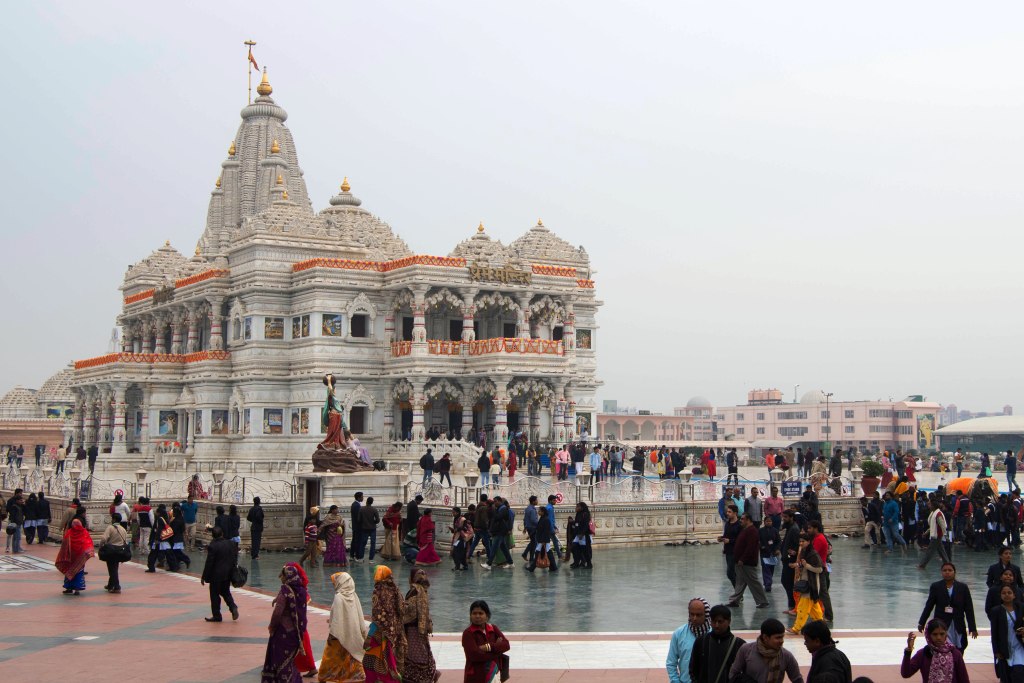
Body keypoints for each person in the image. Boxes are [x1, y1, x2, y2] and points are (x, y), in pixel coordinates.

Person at [261, 564, 309, 683]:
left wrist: (272, 627)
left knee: (281, 660)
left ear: (287, 576)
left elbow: (278, 612)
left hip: (283, 631)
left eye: (282, 575)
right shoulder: (302, 591)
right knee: (290, 660)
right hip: (297, 632)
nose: (281, 577)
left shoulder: (285, 591)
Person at [318, 571, 368, 683]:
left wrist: (332, 633)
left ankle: (325, 677)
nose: (334, 585)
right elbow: (357, 615)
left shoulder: (339, 597)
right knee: (351, 654)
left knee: (330, 656)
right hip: (352, 633)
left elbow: (337, 618)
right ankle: (358, 676)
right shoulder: (354, 595)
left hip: (338, 634)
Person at [918, 562, 978, 652]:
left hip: (958, 623)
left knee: (959, 648)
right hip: (941, 623)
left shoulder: (963, 587)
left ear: (954, 572)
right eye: (944, 570)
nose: (947, 572)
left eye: (950, 570)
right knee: (941, 647)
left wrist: (972, 627)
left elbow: (969, 608)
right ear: (941, 572)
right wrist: (922, 622)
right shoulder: (936, 587)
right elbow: (929, 606)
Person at [363, 565, 406, 683]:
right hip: (393, 632)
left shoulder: (378, 590)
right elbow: (401, 610)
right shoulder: (394, 588)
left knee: (372, 661)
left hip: (380, 633)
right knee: (387, 659)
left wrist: (370, 636)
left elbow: (377, 616)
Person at [729, 618, 803, 683]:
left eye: (782, 637)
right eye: (778, 638)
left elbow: (797, 679)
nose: (782, 641)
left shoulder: (786, 656)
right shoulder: (746, 650)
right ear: (765, 637)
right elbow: (733, 674)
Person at [901, 619, 970, 683]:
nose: (939, 638)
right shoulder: (923, 654)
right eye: (935, 634)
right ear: (928, 635)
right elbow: (906, 673)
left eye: (942, 634)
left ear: (946, 634)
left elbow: (964, 679)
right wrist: (908, 651)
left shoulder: (955, 653)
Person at [690, 604, 744, 683]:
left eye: (720, 621)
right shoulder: (701, 641)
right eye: (713, 621)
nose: (716, 625)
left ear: (729, 621)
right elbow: (693, 669)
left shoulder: (739, 645)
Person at [401, 568, 438, 682]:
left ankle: (419, 678)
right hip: (420, 630)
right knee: (423, 651)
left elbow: (411, 612)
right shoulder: (423, 591)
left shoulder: (415, 591)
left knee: (415, 654)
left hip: (413, 630)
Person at [727, 513, 770, 609]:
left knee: (753, 581)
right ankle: (735, 600)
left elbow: (751, 547)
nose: (740, 521)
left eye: (742, 519)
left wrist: (743, 559)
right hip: (740, 562)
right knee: (740, 582)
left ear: (748, 520)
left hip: (747, 562)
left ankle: (763, 601)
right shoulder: (745, 530)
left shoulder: (752, 531)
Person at [462, 599, 510, 683]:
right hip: (476, 677)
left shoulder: (493, 628)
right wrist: (497, 650)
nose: (477, 616)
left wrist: (489, 646)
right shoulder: (468, 633)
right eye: (474, 613)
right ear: (470, 615)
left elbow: (506, 645)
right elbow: (475, 655)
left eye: (481, 613)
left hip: (495, 674)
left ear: (487, 616)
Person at [666, 597, 711, 683]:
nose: (694, 618)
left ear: (706, 615)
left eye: (698, 615)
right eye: (692, 614)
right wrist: (676, 681)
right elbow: (671, 663)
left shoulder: (714, 635)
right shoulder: (679, 634)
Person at [789, 533, 825, 635]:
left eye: (803, 541)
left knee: (802, 608)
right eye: (800, 541)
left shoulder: (813, 554)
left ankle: (796, 628)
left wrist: (806, 565)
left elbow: (819, 569)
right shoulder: (805, 552)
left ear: (809, 542)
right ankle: (821, 626)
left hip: (811, 585)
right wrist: (796, 565)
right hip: (807, 584)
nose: (801, 543)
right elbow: (802, 564)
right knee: (815, 609)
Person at [201, 526, 239, 622]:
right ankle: (233, 607)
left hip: (216, 575)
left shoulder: (213, 546)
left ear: (213, 536)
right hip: (227, 574)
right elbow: (234, 557)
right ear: (222, 534)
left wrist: (204, 577)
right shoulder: (230, 543)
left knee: (214, 595)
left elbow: (209, 563)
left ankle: (217, 615)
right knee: (226, 592)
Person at [988, 583, 1024, 683]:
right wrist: (996, 651)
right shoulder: (996, 611)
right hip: (1004, 648)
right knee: (1006, 676)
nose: (1006, 595)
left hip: (1019, 647)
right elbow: (994, 633)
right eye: (1004, 593)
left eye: (1009, 592)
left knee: (1019, 673)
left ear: (1014, 595)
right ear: (1000, 595)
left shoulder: (1021, 608)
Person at [55, 518, 94, 595]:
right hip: (80, 556)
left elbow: (64, 544)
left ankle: (68, 587)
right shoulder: (84, 532)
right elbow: (88, 542)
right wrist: (87, 553)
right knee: (79, 572)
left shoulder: (69, 532)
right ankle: (77, 589)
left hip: (70, 557)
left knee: (69, 571)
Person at [99, 512, 129, 593]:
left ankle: (117, 586)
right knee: (114, 568)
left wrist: (101, 545)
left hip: (111, 550)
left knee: (112, 569)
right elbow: (125, 541)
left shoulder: (110, 528)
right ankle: (110, 585)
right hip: (120, 551)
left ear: (114, 519)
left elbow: (104, 539)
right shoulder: (123, 529)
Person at [918, 498, 952, 570]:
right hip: (936, 535)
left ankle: (922, 565)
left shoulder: (938, 514)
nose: (929, 505)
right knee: (942, 552)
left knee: (929, 551)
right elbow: (932, 526)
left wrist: (946, 535)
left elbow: (942, 525)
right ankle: (948, 564)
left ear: (933, 506)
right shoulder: (934, 513)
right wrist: (926, 533)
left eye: (930, 504)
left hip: (936, 535)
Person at [719, 504, 741, 586]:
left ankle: (738, 590)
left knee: (730, 573)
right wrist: (722, 538)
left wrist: (730, 541)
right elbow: (726, 535)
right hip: (728, 551)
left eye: (729, 512)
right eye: (727, 511)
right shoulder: (728, 524)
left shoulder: (739, 525)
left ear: (735, 513)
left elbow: (740, 539)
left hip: (736, 551)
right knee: (732, 573)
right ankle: (738, 591)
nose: (727, 513)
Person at [759, 515, 781, 592]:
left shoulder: (775, 530)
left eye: (770, 521)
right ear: (764, 522)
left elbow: (778, 541)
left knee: (771, 568)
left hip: (773, 553)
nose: (769, 522)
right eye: (767, 521)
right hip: (764, 553)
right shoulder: (760, 530)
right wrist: (761, 546)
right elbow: (758, 540)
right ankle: (767, 584)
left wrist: (777, 549)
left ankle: (768, 582)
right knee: (765, 568)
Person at [570, 501, 593, 569]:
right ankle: (577, 562)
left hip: (584, 535)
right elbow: (578, 523)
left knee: (585, 550)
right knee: (574, 547)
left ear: (582, 507)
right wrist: (572, 522)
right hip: (578, 534)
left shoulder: (585, 514)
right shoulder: (578, 514)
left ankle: (588, 564)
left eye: (578, 507)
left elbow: (585, 525)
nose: (576, 508)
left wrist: (582, 533)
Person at [357, 497, 380, 564]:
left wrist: (363, 523)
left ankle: (361, 558)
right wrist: (373, 522)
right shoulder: (374, 509)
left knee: (363, 543)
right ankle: (371, 559)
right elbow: (378, 520)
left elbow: (358, 520)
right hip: (372, 528)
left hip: (364, 528)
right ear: (372, 502)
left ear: (366, 501)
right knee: (373, 544)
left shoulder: (362, 509)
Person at [350, 492, 364, 558]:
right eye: (362, 497)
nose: (363, 498)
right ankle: (357, 556)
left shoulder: (356, 504)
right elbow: (358, 517)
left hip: (356, 526)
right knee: (357, 541)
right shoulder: (356, 505)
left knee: (355, 541)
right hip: (358, 527)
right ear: (358, 497)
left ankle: (352, 555)